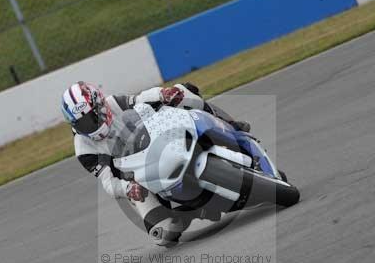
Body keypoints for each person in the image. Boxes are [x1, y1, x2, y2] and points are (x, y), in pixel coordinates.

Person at [60, 81, 250, 246]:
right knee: (163, 235)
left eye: (91, 118)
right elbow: (108, 182)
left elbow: (140, 98)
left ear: (100, 104)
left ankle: (231, 126)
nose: (90, 126)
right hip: (139, 179)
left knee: (183, 92)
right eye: (82, 124)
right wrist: (128, 189)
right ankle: (187, 213)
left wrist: (162, 94)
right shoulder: (84, 149)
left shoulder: (113, 103)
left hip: (157, 143)